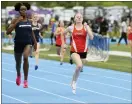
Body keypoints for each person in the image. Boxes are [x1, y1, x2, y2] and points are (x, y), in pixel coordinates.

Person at [6, 2, 37, 88]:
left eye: (25, 9)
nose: (23, 11)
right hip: (18, 43)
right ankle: (19, 75)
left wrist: (35, 43)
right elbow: (8, 32)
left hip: (27, 43)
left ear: (26, 10)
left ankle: (26, 80)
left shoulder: (29, 20)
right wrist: (17, 22)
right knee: (18, 63)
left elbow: (31, 32)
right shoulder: (15, 20)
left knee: (26, 57)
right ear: (19, 11)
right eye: (21, 10)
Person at [61, 13, 93, 94]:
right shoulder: (71, 28)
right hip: (74, 51)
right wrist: (63, 43)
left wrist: (87, 27)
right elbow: (62, 34)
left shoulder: (86, 27)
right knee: (79, 65)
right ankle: (74, 83)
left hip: (83, 52)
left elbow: (91, 37)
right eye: (77, 17)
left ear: (82, 19)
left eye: (80, 17)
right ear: (74, 19)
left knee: (80, 69)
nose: (79, 18)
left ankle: (72, 81)